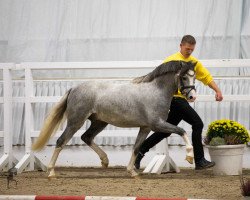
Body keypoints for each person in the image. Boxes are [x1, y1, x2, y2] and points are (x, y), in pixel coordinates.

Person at [135, 35, 223, 170]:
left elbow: (206, 77)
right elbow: (158, 79)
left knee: (165, 131)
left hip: (181, 100)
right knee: (197, 123)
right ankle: (199, 160)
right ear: (181, 45)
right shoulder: (171, 61)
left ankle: (139, 153)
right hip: (173, 99)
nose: (189, 52)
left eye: (192, 50)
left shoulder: (193, 62)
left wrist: (217, 90)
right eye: (187, 49)